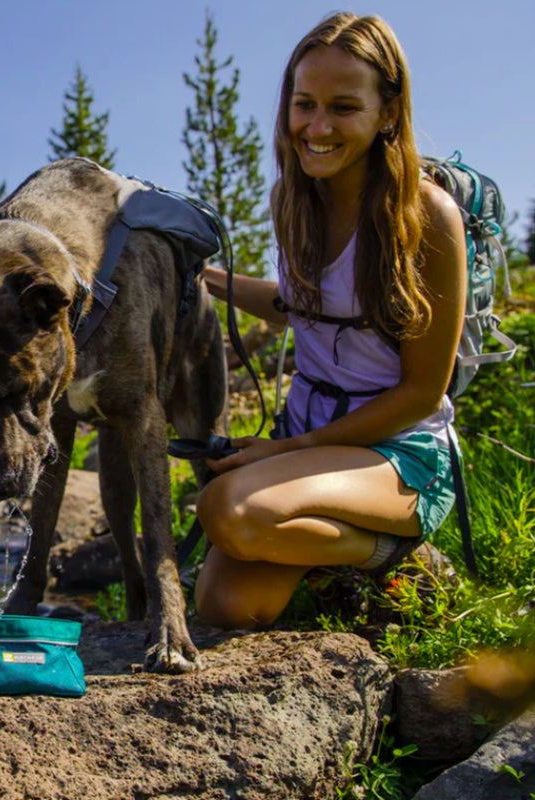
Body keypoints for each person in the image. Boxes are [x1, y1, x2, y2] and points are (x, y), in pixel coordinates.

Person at [195, 12, 466, 630]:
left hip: (396, 451)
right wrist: (201, 275)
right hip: (314, 435)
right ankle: (357, 551)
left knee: (231, 511)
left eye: (344, 107)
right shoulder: (291, 199)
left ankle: (398, 552)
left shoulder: (426, 217)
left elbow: (422, 391)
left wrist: (287, 449)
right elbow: (301, 307)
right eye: (304, 104)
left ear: (388, 111)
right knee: (227, 607)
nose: (316, 128)